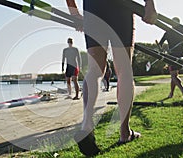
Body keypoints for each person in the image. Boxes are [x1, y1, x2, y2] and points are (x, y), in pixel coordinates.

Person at [66, 0, 157, 156]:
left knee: (95, 69)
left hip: (93, 7)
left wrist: (74, 12)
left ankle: (86, 125)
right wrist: (149, 3)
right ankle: (124, 132)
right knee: (124, 71)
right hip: (120, 6)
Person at [159, 17, 183, 100]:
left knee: (174, 76)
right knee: (174, 75)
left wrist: (162, 50)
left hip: (172, 56)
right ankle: (171, 93)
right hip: (181, 56)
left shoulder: (168, 32)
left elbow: (160, 43)